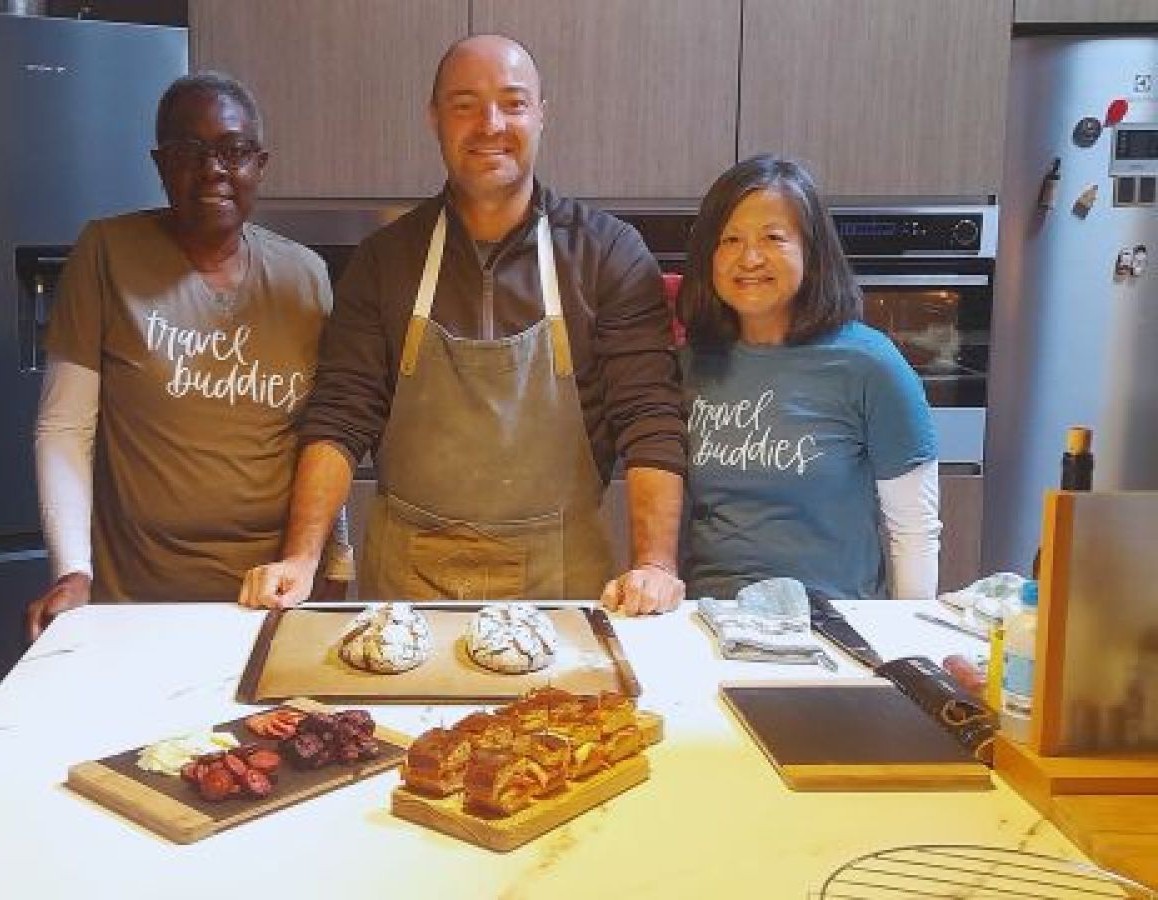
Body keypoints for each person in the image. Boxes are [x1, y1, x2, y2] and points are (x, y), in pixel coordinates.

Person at [239, 34, 686, 615]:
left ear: (543, 114)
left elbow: (649, 417)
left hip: (562, 590)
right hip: (405, 598)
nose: (490, 123)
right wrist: (301, 558)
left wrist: (654, 563)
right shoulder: (384, 260)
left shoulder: (609, 255)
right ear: (434, 118)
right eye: (464, 104)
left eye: (513, 102)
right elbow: (341, 414)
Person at [27, 72, 350, 641]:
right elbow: (64, 427)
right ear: (159, 163)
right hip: (139, 600)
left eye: (234, 150)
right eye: (190, 150)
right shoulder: (107, 254)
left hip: (272, 596)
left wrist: (335, 554)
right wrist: (73, 571)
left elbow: (324, 431)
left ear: (259, 164)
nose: (214, 169)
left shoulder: (305, 276)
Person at [676, 155, 941, 602]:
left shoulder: (871, 364)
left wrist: (906, 644)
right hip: (709, 623)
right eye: (730, 239)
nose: (750, 258)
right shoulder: (690, 364)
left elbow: (913, 528)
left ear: (811, 250)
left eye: (774, 238)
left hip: (833, 629)